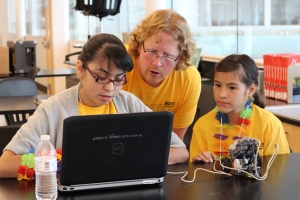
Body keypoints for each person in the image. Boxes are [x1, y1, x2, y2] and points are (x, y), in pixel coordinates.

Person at [0, 33, 188, 178]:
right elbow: (5, 164)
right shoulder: (53, 109)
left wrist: (131, 160)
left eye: (118, 79)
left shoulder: (129, 103)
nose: (109, 88)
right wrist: (62, 163)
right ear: (80, 68)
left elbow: (180, 151)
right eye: (101, 77)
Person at [190, 54, 290, 163]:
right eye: (218, 85)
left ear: (251, 90)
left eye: (232, 87)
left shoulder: (269, 125)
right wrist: (200, 164)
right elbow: (196, 174)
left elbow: (280, 174)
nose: (222, 94)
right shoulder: (202, 126)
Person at [122, 9, 201, 140]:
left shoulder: (189, 80)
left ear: (180, 57)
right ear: (139, 46)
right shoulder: (118, 63)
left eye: (168, 56)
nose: (157, 63)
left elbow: (174, 142)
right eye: (152, 51)